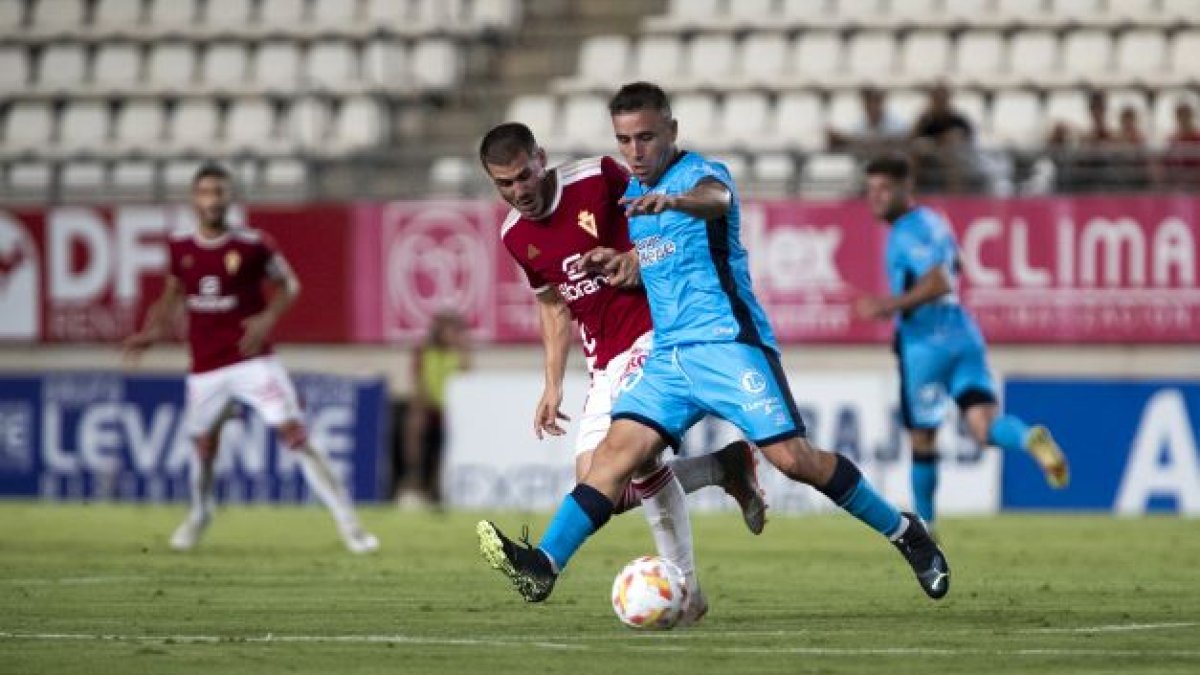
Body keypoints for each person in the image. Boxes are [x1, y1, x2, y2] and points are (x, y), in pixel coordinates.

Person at [477, 82, 950, 606]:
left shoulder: (698, 175)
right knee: (611, 462)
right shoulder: (633, 197)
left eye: (646, 137)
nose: (635, 151)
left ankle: (905, 531)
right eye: (625, 140)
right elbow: (650, 264)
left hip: (727, 343)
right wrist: (620, 264)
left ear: (672, 132)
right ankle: (544, 564)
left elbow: (715, 200)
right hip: (669, 358)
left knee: (795, 460)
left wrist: (674, 199)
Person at [477, 121, 768, 624]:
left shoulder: (597, 179)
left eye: (524, 175)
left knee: (624, 469)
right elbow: (552, 307)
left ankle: (553, 566)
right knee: (596, 486)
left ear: (541, 158)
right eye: (505, 183)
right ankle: (723, 469)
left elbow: (662, 226)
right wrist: (552, 384)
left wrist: (634, 258)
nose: (518, 190)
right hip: (602, 359)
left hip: (655, 333)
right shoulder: (514, 236)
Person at [124, 162, 379, 554]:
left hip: (252, 360)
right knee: (204, 447)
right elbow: (172, 294)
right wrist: (151, 333)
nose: (213, 200)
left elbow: (289, 285)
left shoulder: (253, 244)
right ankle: (200, 514)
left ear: (230, 198)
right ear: (194, 199)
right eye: (206, 192)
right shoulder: (181, 247)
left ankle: (352, 528)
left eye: (220, 192)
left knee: (295, 435)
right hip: (205, 366)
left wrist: (266, 318)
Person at [853, 154, 1070, 530]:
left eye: (885, 189)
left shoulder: (906, 231)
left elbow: (940, 281)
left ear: (908, 187)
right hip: (965, 336)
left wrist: (891, 304)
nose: (876, 197)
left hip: (925, 345)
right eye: (871, 189)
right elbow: (957, 267)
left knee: (923, 439)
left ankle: (925, 527)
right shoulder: (935, 221)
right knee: (985, 426)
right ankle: (1029, 437)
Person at [398, 309, 470, 509]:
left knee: (443, 452)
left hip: (449, 412)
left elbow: (466, 378)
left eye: (456, 331)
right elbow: (418, 379)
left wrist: (463, 349)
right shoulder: (424, 351)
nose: (453, 335)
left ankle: (435, 492)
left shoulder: (458, 352)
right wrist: (420, 403)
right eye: (449, 330)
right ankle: (413, 487)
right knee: (418, 446)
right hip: (427, 408)